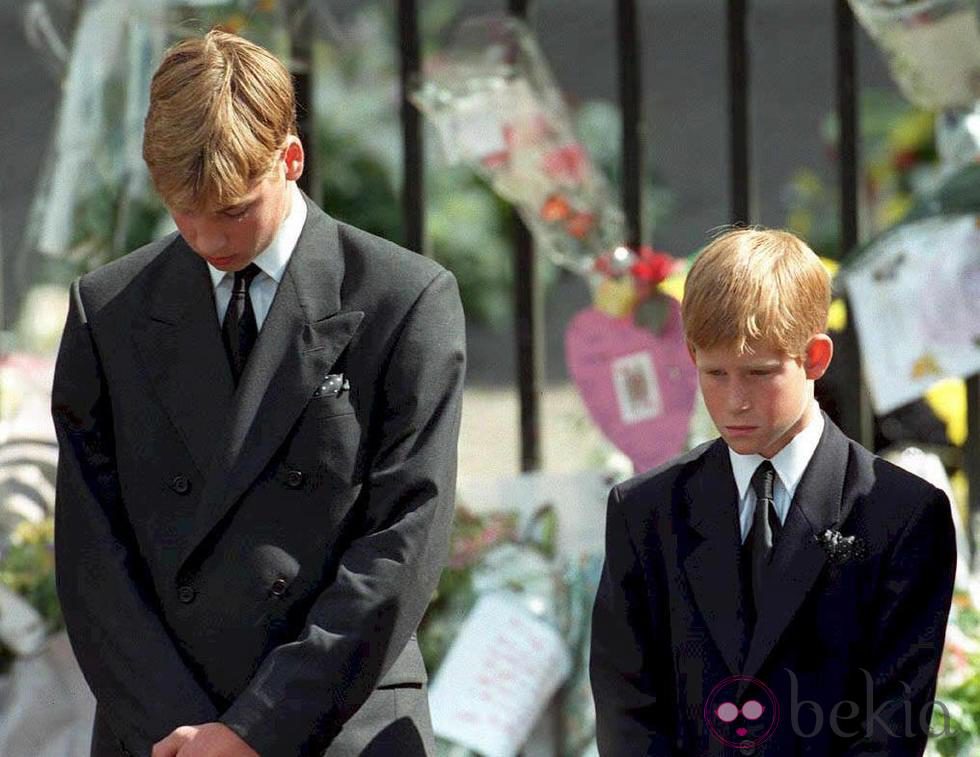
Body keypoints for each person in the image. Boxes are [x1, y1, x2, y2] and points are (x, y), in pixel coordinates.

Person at [51, 30, 465, 757]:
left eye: (235, 209)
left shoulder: (405, 300)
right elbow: (91, 555)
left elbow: (402, 542)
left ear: (291, 160)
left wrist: (255, 729)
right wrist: (182, 733)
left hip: (337, 723)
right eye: (185, 211)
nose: (211, 237)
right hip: (161, 733)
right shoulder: (107, 310)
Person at [589, 228, 956, 756]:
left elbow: (893, 722)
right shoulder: (644, 512)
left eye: (760, 374)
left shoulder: (900, 515)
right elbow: (628, 707)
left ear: (815, 359)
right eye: (714, 373)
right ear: (691, 353)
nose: (734, 400)